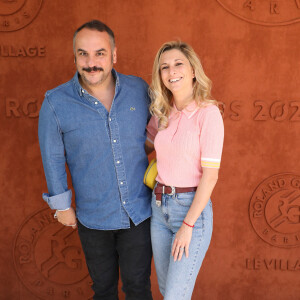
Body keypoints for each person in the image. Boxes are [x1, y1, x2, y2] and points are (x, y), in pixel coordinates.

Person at [38, 20, 153, 300]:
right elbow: (52, 156)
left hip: (139, 213)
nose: (91, 63)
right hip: (93, 218)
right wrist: (62, 205)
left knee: (138, 289)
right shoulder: (55, 102)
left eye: (100, 53)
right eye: (83, 54)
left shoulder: (139, 89)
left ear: (114, 55)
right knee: (103, 291)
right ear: (74, 56)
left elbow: (161, 134)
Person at [145, 41, 224, 300]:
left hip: (190, 212)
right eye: (164, 67)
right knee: (168, 291)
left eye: (178, 63)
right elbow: (143, 147)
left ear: (192, 70)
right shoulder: (162, 113)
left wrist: (188, 224)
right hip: (158, 208)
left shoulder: (208, 114)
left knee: (175, 297)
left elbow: (210, 176)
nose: (171, 71)